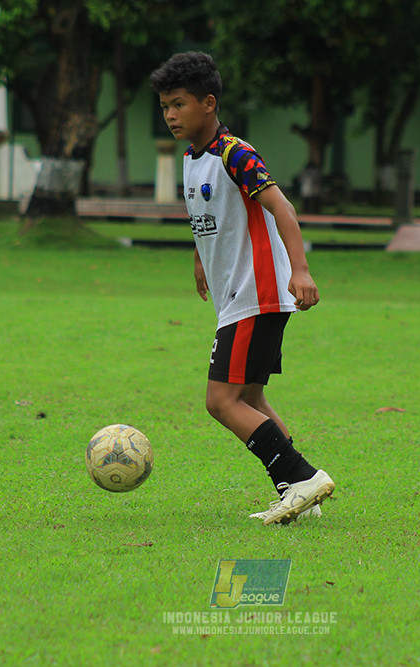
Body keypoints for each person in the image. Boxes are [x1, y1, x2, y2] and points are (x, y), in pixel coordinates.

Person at [150, 51, 335, 525]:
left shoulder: (236, 152)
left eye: (179, 104)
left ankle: (302, 478)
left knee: (221, 401)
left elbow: (283, 209)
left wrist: (301, 271)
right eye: (165, 106)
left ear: (208, 103)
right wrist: (199, 259)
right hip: (240, 295)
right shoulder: (193, 158)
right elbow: (205, 217)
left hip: (257, 294)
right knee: (249, 399)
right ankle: (299, 493)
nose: (170, 114)